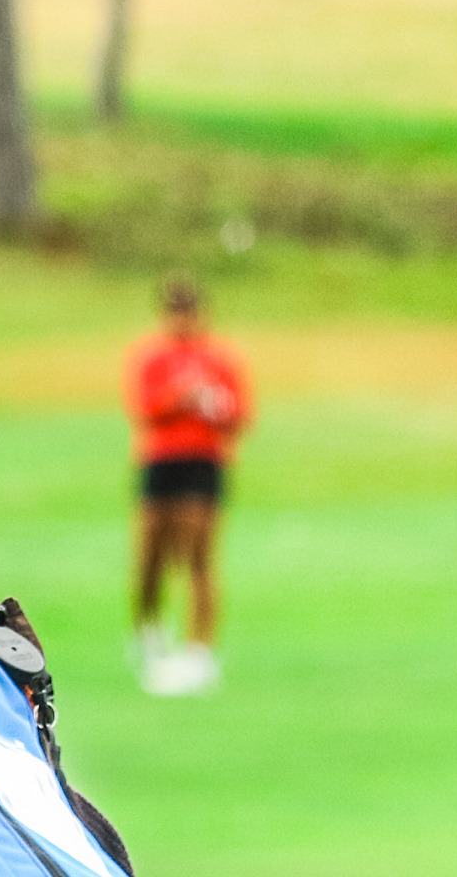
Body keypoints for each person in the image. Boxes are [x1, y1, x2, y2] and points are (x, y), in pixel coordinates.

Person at [124, 275, 251, 697]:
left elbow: (239, 414)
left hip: (202, 461)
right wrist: (178, 397)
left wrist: (210, 404)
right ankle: (150, 631)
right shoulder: (153, 358)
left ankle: (200, 650)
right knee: (151, 555)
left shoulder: (220, 359)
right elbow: (144, 408)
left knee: (198, 554)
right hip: (161, 461)